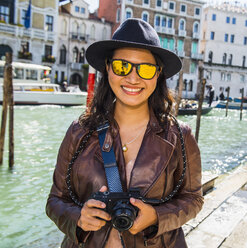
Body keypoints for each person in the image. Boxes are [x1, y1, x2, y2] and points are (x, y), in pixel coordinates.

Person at [46, 18, 203, 248]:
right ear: (108, 68)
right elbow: (55, 200)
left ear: (158, 74)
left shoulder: (180, 137)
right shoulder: (78, 133)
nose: (132, 77)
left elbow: (193, 199)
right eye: (122, 66)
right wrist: (78, 218)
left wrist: (157, 217)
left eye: (146, 68)